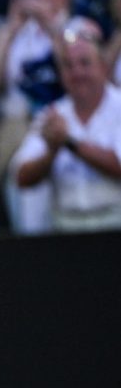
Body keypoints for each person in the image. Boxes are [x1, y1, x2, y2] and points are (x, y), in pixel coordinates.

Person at [0, 0, 77, 234]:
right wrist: (10, 30)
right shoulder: (18, 32)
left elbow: (78, 76)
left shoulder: (79, 27)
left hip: (65, 125)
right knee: (22, 192)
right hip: (17, 129)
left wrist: (51, 27)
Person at [13, 17, 121, 231]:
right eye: (68, 66)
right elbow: (22, 177)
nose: (77, 73)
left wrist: (70, 143)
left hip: (115, 224)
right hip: (66, 230)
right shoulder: (53, 114)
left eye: (84, 63)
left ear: (103, 67)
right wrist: (51, 151)